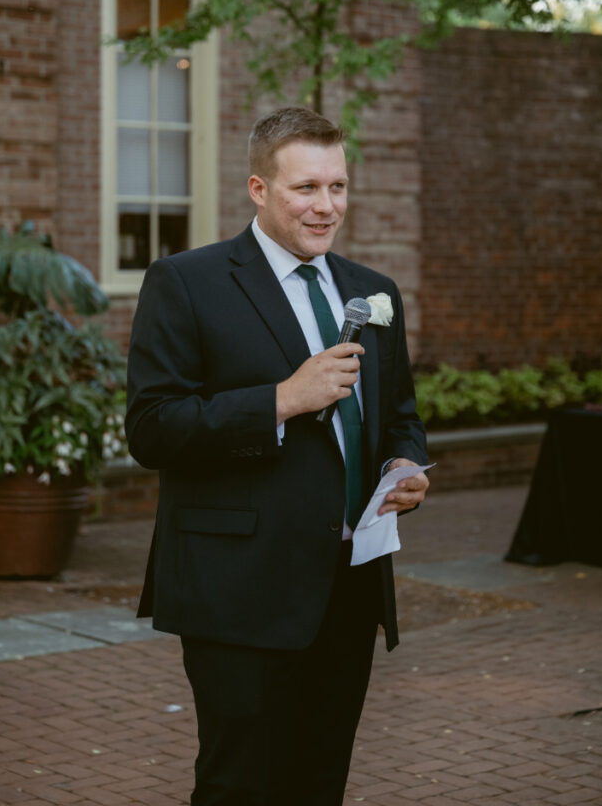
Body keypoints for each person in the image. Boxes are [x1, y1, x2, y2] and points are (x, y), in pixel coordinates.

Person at [127, 106, 429, 806]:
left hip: (348, 585)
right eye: (306, 189)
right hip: (239, 589)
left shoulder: (374, 291)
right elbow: (150, 427)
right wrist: (280, 401)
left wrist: (402, 468)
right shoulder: (186, 282)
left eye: (338, 187)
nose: (326, 207)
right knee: (241, 784)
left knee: (319, 781)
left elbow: (401, 418)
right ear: (259, 189)